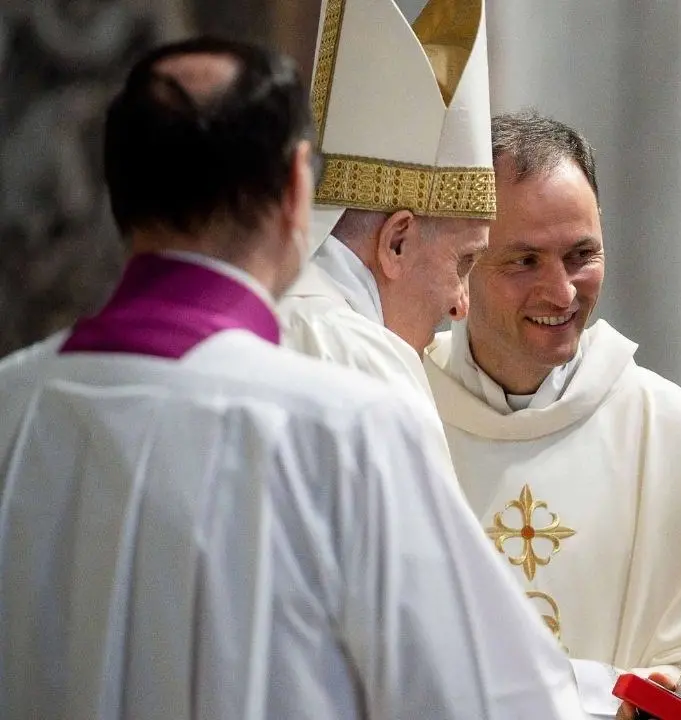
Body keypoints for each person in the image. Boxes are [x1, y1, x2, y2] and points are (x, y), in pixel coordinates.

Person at [0, 37, 585, 719]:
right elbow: (497, 702)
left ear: (118, 192)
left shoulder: (12, 399)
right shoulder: (343, 430)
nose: (461, 305)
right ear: (296, 190)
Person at [423, 109, 681, 714]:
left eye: (581, 255)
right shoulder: (399, 417)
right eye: (524, 262)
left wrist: (667, 697)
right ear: (465, 263)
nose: (562, 291)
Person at [278, 0, 495, 402]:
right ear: (397, 241)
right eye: (463, 262)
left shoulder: (247, 318)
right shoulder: (373, 366)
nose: (461, 306)